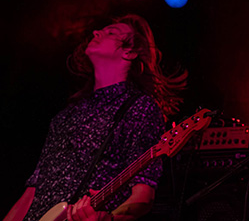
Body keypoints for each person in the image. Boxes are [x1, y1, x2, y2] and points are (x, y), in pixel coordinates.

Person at [3, 14, 187, 221]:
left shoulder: (139, 108)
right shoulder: (64, 116)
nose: (96, 32)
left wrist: (106, 219)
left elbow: (143, 197)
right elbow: (31, 193)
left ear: (129, 52)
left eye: (111, 32)